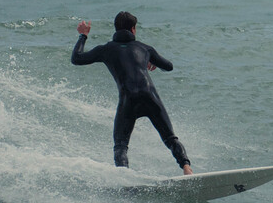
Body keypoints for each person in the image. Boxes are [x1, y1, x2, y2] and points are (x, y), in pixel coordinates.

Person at [72, 11, 193, 174]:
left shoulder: (106, 49)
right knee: (170, 139)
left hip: (128, 100)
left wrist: (83, 36)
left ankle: (125, 179)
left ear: (116, 29)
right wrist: (150, 60)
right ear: (133, 29)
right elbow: (168, 66)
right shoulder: (144, 48)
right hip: (150, 97)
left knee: (121, 146)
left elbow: (77, 58)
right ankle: (187, 168)